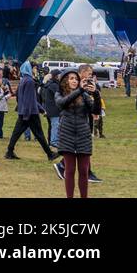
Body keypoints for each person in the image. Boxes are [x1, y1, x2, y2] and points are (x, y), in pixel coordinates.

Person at [4, 61, 56, 162]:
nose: (36, 70)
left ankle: (9, 152)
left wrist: (40, 109)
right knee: (39, 134)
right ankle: (50, 154)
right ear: (30, 69)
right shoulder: (29, 81)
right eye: (35, 68)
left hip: (25, 111)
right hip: (30, 112)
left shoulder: (24, 80)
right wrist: (29, 113)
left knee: (17, 133)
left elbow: (22, 97)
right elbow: (30, 99)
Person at [55, 70, 94, 198]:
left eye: (76, 79)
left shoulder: (83, 95)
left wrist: (96, 94)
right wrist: (80, 91)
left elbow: (95, 109)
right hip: (67, 135)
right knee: (70, 170)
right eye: (71, 78)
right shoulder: (59, 94)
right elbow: (62, 103)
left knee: (84, 171)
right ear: (65, 81)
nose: (74, 81)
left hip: (83, 135)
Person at [40, 68, 62, 149]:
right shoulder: (54, 85)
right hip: (54, 109)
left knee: (52, 126)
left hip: (49, 109)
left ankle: (50, 141)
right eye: (59, 75)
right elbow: (60, 94)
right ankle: (53, 142)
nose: (61, 76)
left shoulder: (50, 84)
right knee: (55, 125)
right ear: (56, 76)